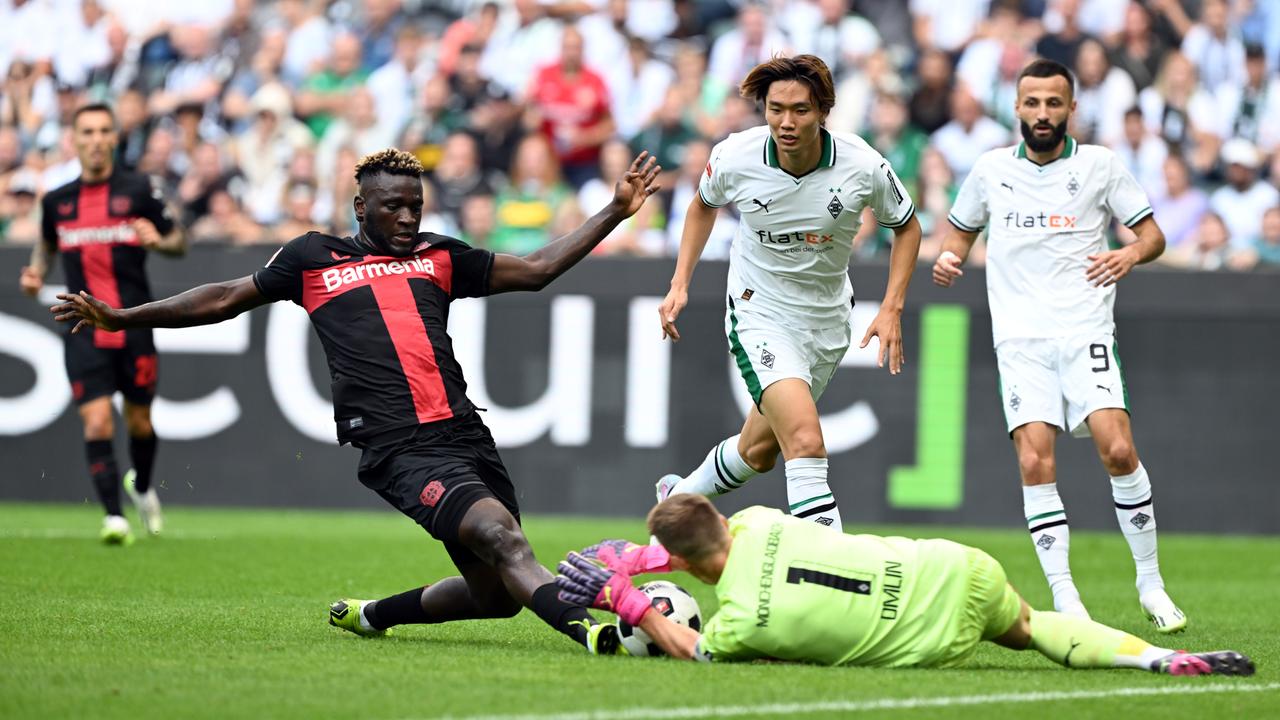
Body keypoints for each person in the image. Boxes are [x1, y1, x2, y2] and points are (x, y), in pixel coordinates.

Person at [51, 147, 661, 655]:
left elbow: (534, 270)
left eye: (415, 207)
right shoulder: (313, 258)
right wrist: (124, 317)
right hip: (399, 449)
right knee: (505, 541)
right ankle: (594, 634)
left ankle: (373, 615)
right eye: (392, 206)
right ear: (360, 207)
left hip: (465, 434)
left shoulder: (440, 256)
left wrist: (613, 210)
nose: (405, 218)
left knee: (497, 595)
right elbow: (223, 297)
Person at [931, 59, 1184, 632]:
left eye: (1053, 103)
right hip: (1020, 340)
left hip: (1084, 330)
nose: (1042, 113)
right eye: (1032, 103)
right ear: (1016, 108)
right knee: (1033, 460)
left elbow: (1153, 235)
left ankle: (1151, 583)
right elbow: (960, 233)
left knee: (1118, 449)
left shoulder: (1100, 165)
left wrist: (1129, 254)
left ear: (1072, 109)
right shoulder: (991, 169)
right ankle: (1067, 600)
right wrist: (951, 259)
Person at [555, 494, 1254, 677]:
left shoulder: (739, 626)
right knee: (1036, 627)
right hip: (955, 569)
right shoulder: (760, 519)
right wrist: (660, 555)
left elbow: (685, 646)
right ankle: (1158, 661)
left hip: (930, 640)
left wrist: (630, 599)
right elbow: (709, 535)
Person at [656, 55, 920, 533]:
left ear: (822, 110)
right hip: (761, 311)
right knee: (804, 440)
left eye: (799, 110)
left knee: (758, 451)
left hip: (827, 319)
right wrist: (680, 284)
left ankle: (676, 501)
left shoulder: (862, 165)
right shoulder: (736, 155)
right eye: (775, 109)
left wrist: (892, 305)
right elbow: (701, 206)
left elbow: (907, 227)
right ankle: (831, 578)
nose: (786, 122)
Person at [19, 103, 186, 544]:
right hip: (83, 329)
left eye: (104, 131)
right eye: (87, 131)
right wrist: (35, 272)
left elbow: (178, 240)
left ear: (115, 138)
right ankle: (114, 517)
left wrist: (160, 240)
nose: (96, 139)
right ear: (74, 140)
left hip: (133, 324)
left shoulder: (139, 189)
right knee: (96, 423)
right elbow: (45, 247)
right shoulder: (57, 201)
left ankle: (143, 486)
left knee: (140, 424)